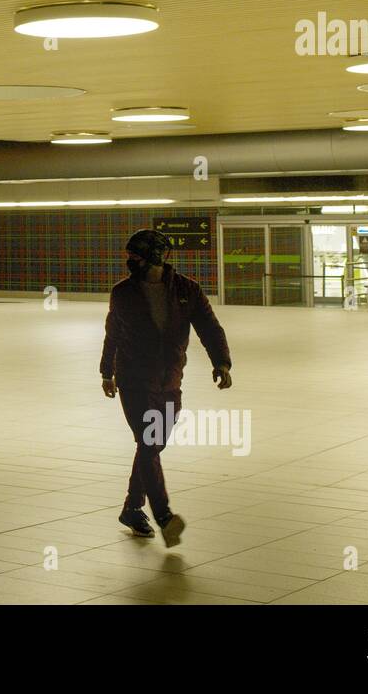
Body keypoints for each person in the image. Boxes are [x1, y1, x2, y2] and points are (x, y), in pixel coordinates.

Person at [99, 229, 233, 547]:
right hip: (133, 381)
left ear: (157, 256)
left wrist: (222, 362)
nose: (130, 262)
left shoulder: (187, 291)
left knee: (153, 445)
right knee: (148, 444)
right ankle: (164, 517)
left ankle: (132, 508)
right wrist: (107, 371)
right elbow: (113, 333)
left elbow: (210, 328)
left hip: (170, 382)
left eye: (136, 257)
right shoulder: (123, 293)